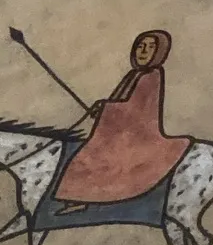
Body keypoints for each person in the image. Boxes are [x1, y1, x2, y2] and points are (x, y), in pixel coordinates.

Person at [52, 29, 190, 207]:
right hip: (121, 132)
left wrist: (106, 108)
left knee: (94, 158)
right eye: (140, 46)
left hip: (137, 136)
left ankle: (82, 198)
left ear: (159, 53)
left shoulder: (151, 77)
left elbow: (138, 110)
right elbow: (120, 102)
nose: (143, 51)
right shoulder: (133, 75)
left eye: (150, 47)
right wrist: (104, 109)